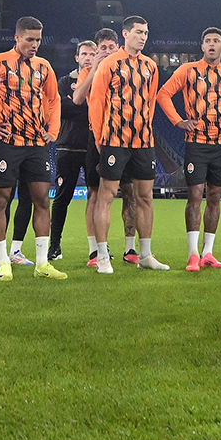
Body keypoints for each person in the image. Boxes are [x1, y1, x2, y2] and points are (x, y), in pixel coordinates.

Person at [0, 16, 67, 280]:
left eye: (38, 40)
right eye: (30, 39)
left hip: (36, 144)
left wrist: (53, 131)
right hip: (7, 143)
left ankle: (42, 264)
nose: (35, 45)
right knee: (1, 199)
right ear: (17, 37)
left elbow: (54, 99)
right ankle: (2, 260)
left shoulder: (44, 66)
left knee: (42, 200)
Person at [156, 28, 221, 271]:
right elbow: (163, 94)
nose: (211, 44)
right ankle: (193, 254)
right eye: (207, 41)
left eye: (216, 41)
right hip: (196, 142)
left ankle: (208, 253)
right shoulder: (187, 70)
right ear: (202, 47)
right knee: (195, 194)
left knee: (215, 196)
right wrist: (178, 121)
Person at [87, 15, 165, 272]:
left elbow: (150, 102)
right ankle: (102, 256)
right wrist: (100, 138)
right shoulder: (109, 64)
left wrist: (147, 131)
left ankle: (145, 255)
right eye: (139, 32)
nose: (143, 37)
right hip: (114, 140)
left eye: (146, 33)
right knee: (106, 196)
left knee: (145, 197)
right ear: (125, 34)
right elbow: (96, 102)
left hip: (143, 141)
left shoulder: (151, 66)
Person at [74, 28, 141, 262]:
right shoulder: (88, 72)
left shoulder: (128, 69)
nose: (108, 51)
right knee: (95, 193)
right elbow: (77, 98)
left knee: (129, 191)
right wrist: (94, 68)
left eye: (111, 47)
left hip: (127, 137)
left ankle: (130, 249)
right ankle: (95, 250)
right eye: (102, 48)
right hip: (98, 137)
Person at [50, 39, 101, 263]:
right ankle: (54, 246)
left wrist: (79, 104)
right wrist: (86, 106)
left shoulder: (103, 80)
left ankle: (96, 249)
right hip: (68, 146)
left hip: (93, 147)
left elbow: (90, 108)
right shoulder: (65, 81)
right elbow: (64, 109)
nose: (88, 58)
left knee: (96, 197)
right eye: (84, 54)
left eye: (92, 54)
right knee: (62, 197)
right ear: (77, 57)